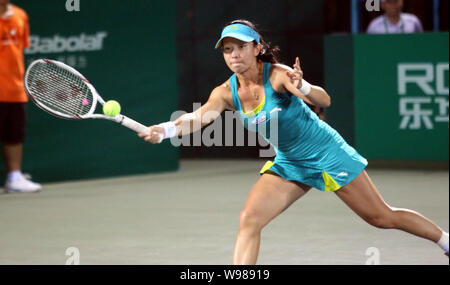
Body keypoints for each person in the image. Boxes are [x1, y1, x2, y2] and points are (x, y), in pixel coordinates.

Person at [139, 19, 448, 264]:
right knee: (249, 220)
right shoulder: (224, 92)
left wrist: (304, 87)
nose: (234, 55)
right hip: (290, 161)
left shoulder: (280, 75)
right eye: (227, 50)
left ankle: (445, 241)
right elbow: (199, 118)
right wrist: (164, 130)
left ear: (257, 48)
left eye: (241, 47)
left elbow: (324, 99)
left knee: (381, 217)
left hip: (327, 153)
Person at [0, 0, 41, 193]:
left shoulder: (20, 15)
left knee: (13, 136)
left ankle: (14, 177)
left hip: (14, 89)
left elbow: (18, 51)